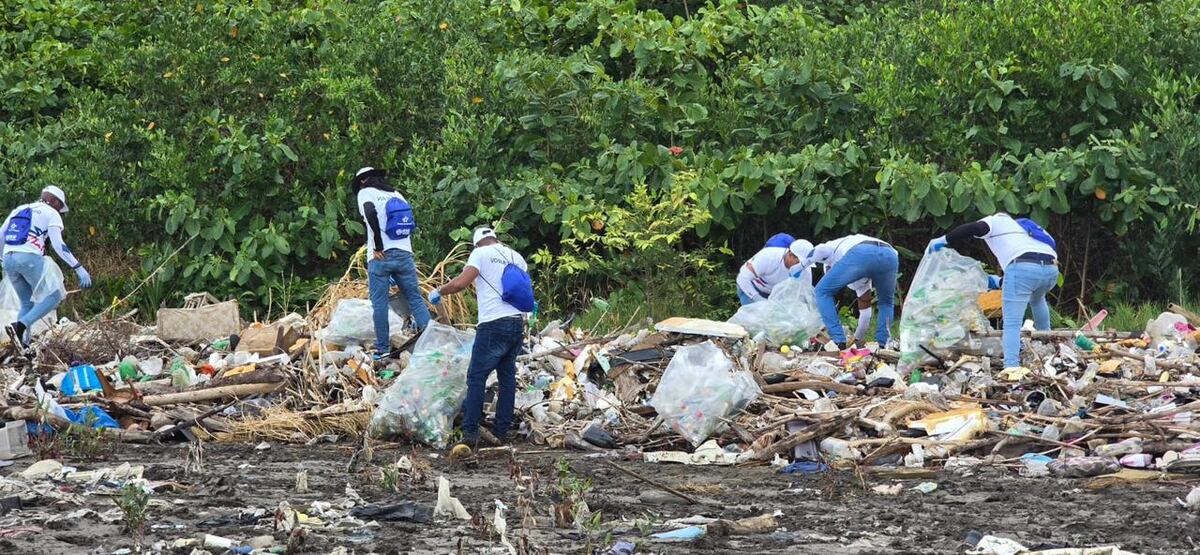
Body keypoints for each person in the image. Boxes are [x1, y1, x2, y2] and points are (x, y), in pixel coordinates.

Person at [428, 227, 530, 447]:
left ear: (476, 243)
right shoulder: (516, 256)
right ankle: (501, 431)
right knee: (507, 378)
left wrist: (439, 291)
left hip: (493, 324)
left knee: (476, 377)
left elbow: (461, 283)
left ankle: (470, 432)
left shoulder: (480, 254)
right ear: (495, 238)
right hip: (516, 323)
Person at [931, 213, 1058, 370]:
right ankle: (1047, 345)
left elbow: (974, 228)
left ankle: (1011, 367)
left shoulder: (996, 221)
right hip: (1051, 270)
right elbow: (1034, 258)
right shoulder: (1026, 229)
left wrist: (944, 240)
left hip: (1022, 267)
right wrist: (1000, 282)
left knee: (1012, 323)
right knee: (1038, 299)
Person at [353, 167, 430, 356]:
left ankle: (383, 349)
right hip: (404, 254)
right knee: (415, 299)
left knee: (379, 304)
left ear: (362, 181)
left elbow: (370, 212)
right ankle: (432, 342)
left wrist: (378, 245)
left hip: (380, 257)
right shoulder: (397, 194)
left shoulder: (365, 192)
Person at [2, 186, 92, 348]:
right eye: (60, 206)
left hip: (8, 259)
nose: (60, 211)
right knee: (55, 296)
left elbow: (1, 235)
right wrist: (78, 267)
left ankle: (23, 345)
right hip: (29, 257)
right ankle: (20, 325)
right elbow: (58, 245)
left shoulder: (20, 209)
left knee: (27, 303)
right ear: (55, 201)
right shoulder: (51, 213)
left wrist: (4, 260)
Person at [790, 234, 898, 348]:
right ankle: (882, 344)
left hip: (860, 251)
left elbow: (820, 249)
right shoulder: (861, 282)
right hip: (890, 254)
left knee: (821, 291)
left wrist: (799, 267)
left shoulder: (832, 254)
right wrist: (856, 339)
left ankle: (838, 340)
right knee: (886, 303)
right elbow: (866, 316)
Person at [735, 239, 814, 305]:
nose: (801, 267)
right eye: (798, 262)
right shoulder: (768, 256)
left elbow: (804, 294)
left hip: (778, 296)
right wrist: (756, 298)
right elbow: (742, 278)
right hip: (752, 289)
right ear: (790, 254)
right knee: (753, 320)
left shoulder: (806, 268)